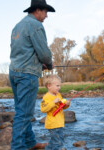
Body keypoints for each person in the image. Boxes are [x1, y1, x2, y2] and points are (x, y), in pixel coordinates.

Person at [9, 0, 55, 149]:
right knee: (24, 114)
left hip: (14, 72)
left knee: (22, 110)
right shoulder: (35, 25)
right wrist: (48, 64)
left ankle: (30, 142)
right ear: (38, 10)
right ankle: (18, 147)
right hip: (26, 75)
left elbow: (23, 51)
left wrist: (38, 64)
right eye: (45, 12)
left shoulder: (18, 26)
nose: (46, 16)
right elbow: (44, 53)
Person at [40, 75, 71, 150]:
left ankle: (48, 148)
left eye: (59, 86)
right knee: (58, 142)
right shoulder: (46, 97)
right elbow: (43, 109)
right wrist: (53, 102)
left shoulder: (58, 95)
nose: (59, 87)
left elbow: (61, 107)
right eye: (57, 85)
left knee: (58, 139)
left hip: (59, 122)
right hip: (53, 124)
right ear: (49, 86)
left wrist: (66, 104)